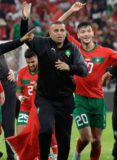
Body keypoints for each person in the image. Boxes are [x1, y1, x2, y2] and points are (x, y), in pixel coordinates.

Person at [20, 3, 88, 160]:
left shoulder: (73, 49)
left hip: (65, 100)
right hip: (45, 99)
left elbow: (83, 70)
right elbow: (24, 36)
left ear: (66, 33)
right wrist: (24, 18)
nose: (59, 33)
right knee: (45, 130)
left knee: (64, 138)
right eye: (56, 30)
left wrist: (69, 67)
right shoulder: (42, 44)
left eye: (62, 30)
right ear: (49, 33)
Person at [57, 2, 117, 160]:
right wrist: (72, 11)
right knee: (87, 137)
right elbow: (58, 26)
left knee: (96, 141)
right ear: (78, 35)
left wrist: (110, 73)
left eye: (88, 31)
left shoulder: (106, 52)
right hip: (79, 100)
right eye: (82, 32)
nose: (86, 34)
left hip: (98, 101)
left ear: (93, 33)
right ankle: (77, 153)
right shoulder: (75, 48)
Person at [0, 12, 34, 160]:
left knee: (10, 126)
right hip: (2, 88)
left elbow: (10, 45)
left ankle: (12, 157)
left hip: (8, 86)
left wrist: (21, 39)